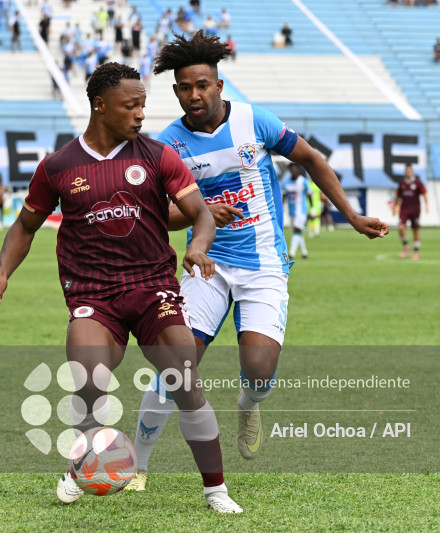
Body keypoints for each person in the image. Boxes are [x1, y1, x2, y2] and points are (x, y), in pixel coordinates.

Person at [0, 62, 243, 514]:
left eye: (143, 106)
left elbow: (201, 213)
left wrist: (199, 248)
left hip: (153, 289)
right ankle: (84, 467)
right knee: (89, 379)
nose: (140, 115)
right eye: (130, 106)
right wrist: (1, 271)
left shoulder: (156, 155)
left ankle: (216, 490)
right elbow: (26, 224)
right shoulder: (58, 167)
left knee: (185, 381)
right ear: (100, 106)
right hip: (93, 295)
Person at [125, 31, 388, 491]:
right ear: (176, 92)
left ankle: (249, 403)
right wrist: (199, 214)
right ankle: (137, 465)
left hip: (264, 263)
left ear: (219, 85)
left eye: (203, 85)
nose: (195, 95)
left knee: (261, 369)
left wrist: (350, 215)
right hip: (206, 264)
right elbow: (157, 215)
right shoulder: (167, 145)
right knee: (176, 364)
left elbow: (312, 160)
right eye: (185, 87)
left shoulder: (254, 121)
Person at [394, 163, 427, 260]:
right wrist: (395, 207)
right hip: (404, 209)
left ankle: (416, 252)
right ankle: (406, 247)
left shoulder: (417, 183)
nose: (408, 172)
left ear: (412, 172)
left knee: (415, 230)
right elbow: (398, 196)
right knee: (400, 228)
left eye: (410, 171)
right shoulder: (402, 183)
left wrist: (427, 205)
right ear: (405, 172)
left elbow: (424, 193)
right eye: (407, 171)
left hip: (415, 210)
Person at [281, 163, 312, 259]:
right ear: (289, 171)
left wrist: (312, 209)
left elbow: (309, 195)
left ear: (298, 170)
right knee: (297, 232)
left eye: (295, 169)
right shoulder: (286, 182)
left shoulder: (303, 181)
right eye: (291, 170)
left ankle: (291, 253)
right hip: (291, 211)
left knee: (297, 229)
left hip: (301, 210)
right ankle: (304, 253)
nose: (293, 171)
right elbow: (284, 196)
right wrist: (281, 208)